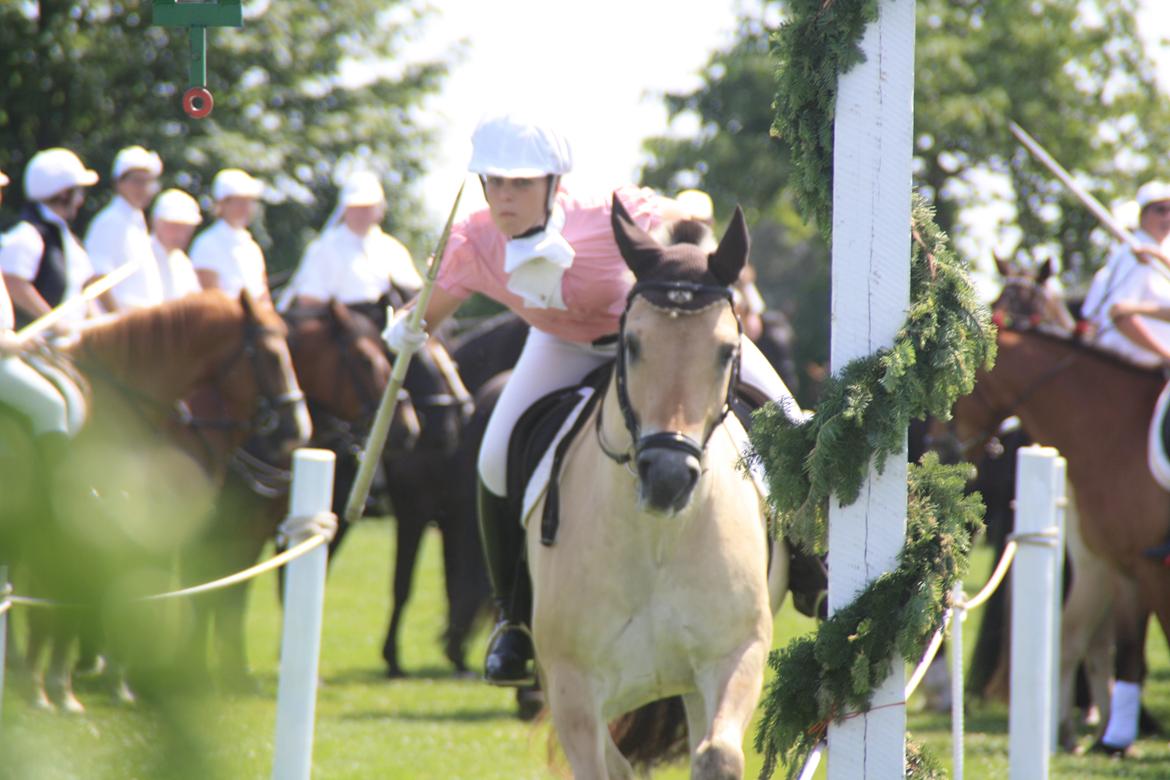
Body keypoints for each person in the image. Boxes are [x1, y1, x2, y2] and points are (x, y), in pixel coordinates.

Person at [382, 112, 803, 685]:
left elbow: (686, 220)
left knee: (786, 419)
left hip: (655, 341)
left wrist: (700, 267)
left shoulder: (609, 210)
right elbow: (425, 316)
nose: (505, 198)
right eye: (495, 183)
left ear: (554, 183)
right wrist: (404, 330)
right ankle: (513, 621)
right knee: (494, 457)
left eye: (521, 184)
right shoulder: (471, 239)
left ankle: (809, 566)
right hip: (561, 345)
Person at [0, 168, 85, 451]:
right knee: (51, 406)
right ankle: (53, 492)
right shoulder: (27, 235)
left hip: (14, 346)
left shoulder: (59, 234)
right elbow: (15, 282)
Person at [278, 171, 422, 311]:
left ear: (380, 209)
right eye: (356, 207)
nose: (361, 213)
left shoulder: (393, 249)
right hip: (339, 329)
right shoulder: (324, 247)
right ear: (345, 208)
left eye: (367, 207)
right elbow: (309, 299)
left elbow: (413, 295)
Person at [0, 148, 101, 326]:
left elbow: (82, 293)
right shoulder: (28, 234)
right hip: (35, 350)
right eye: (78, 192)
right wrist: (53, 323)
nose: (81, 200)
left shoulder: (67, 238)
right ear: (63, 193)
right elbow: (14, 282)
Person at [1081, 180, 1170, 366]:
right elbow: (1120, 315)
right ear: (1142, 215)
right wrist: (1167, 357)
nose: (1168, 217)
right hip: (1131, 369)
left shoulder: (1152, 254)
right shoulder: (1136, 257)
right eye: (1161, 210)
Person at [84, 145, 165, 311]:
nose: (144, 188)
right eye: (137, 181)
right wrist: (119, 321)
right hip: (124, 326)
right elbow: (98, 278)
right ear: (119, 183)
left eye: (148, 181)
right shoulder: (109, 221)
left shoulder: (136, 220)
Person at [189, 168, 272, 305]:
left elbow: (263, 294)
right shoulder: (207, 243)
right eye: (239, 202)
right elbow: (211, 299)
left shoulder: (251, 246)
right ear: (222, 204)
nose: (246, 208)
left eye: (249, 202)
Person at [149, 188, 204, 301]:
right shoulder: (140, 254)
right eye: (174, 226)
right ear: (156, 223)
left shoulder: (182, 262)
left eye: (186, 228)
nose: (180, 234)